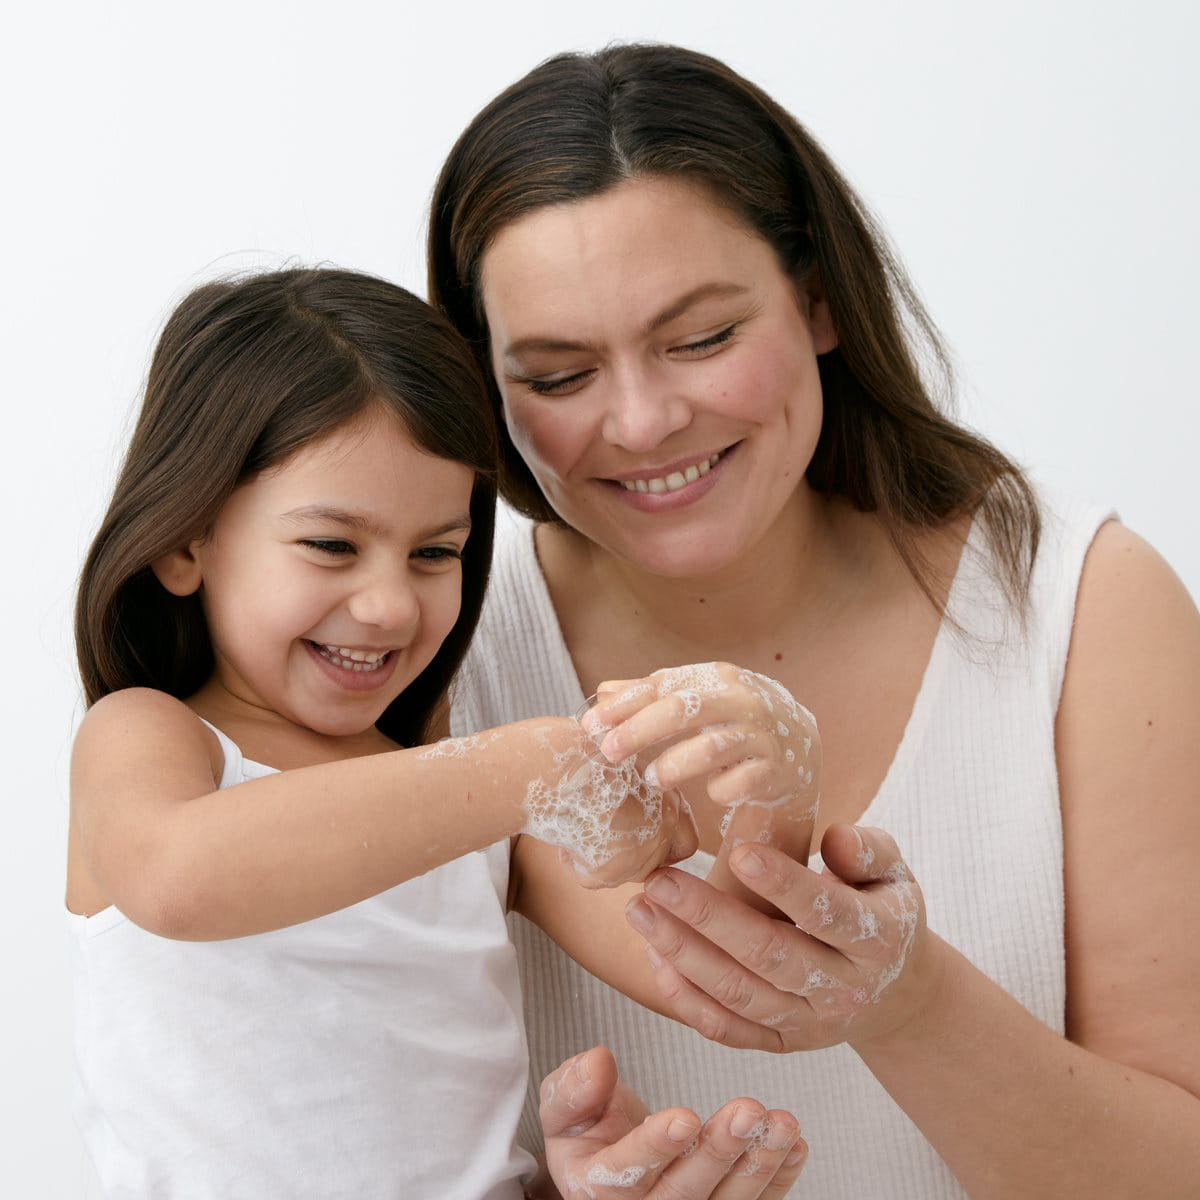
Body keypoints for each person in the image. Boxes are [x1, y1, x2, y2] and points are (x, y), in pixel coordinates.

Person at [427, 42, 1200, 1199]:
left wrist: (905, 1000)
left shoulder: (1077, 604)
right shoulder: (434, 656)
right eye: (557, 375)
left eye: (702, 338)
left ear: (820, 298)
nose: (641, 422)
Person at [66, 266, 811, 1198]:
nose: (389, 605)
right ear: (186, 544)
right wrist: (532, 766)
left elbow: (726, 971)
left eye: (434, 553)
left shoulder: (487, 823)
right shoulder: (150, 735)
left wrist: (776, 787)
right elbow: (177, 882)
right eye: (331, 545)